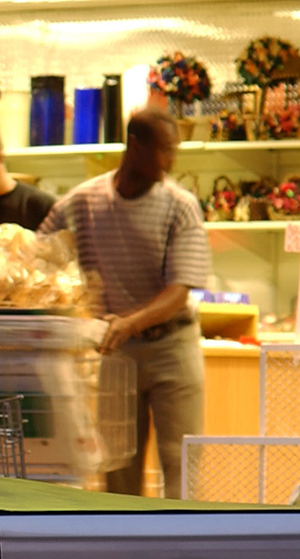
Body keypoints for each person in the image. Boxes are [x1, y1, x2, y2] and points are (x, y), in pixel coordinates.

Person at [38, 108, 211, 498]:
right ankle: (124, 535)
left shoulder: (180, 205)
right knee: (117, 465)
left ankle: (185, 533)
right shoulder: (82, 202)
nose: (171, 161)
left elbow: (180, 289)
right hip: (117, 351)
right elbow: (39, 252)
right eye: (165, 150)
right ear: (135, 145)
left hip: (173, 347)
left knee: (181, 461)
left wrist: (129, 322)